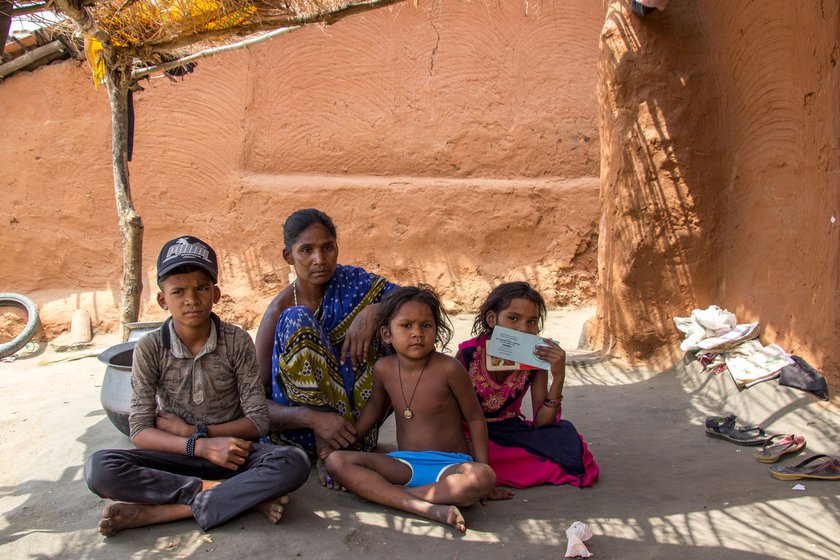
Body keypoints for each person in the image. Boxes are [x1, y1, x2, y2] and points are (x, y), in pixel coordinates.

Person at [85, 236, 310, 536]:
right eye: (178, 291)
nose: (191, 299)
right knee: (100, 468)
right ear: (163, 300)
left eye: (201, 288)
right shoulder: (151, 347)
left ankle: (160, 513)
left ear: (215, 293)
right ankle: (235, 496)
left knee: (293, 462)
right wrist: (198, 446)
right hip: (178, 456)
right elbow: (139, 430)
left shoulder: (236, 340)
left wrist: (199, 433)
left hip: (233, 454)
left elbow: (258, 422)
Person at [322, 286, 508, 533]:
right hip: (405, 463)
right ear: (386, 334)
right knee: (336, 462)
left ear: (436, 330)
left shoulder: (449, 369)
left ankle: (390, 496)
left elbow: (475, 418)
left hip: (450, 466)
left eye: (426, 325)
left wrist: (485, 467)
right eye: (406, 326)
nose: (417, 333)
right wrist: (350, 439)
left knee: (482, 478)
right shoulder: (383, 368)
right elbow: (375, 408)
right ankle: (425, 505)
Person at [255, 209, 398, 487]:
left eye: (327, 248)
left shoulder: (356, 285)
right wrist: (314, 419)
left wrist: (375, 311)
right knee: (297, 320)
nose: (319, 259)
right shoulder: (279, 311)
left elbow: (418, 304)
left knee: (397, 324)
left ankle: (348, 445)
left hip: (357, 429)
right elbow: (255, 405)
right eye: (306, 250)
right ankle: (326, 450)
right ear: (288, 256)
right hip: (298, 433)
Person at [455, 282, 599, 489]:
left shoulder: (533, 360)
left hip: (510, 429)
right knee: (472, 453)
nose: (523, 329)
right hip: (470, 432)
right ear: (492, 319)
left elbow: (542, 422)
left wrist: (558, 377)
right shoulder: (469, 354)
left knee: (570, 442)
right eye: (513, 318)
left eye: (532, 322)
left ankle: (504, 466)